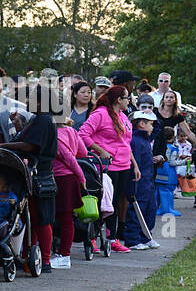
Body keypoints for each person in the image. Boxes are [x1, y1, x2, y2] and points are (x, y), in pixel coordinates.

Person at [0, 84, 59, 273]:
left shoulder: (43, 120)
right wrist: (18, 126)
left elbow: (32, 145)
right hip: (35, 174)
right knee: (31, 218)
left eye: (33, 99)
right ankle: (28, 257)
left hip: (39, 175)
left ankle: (45, 260)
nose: (28, 102)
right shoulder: (39, 120)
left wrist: (5, 145)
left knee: (41, 218)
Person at [79, 85, 136, 252]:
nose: (129, 101)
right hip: (107, 165)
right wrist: (100, 150)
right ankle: (93, 237)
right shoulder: (100, 114)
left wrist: (135, 164)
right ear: (119, 99)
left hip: (124, 165)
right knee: (104, 201)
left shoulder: (123, 116)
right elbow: (83, 134)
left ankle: (112, 238)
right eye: (127, 98)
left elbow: (126, 142)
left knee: (116, 202)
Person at [51, 102, 90, 267]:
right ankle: (63, 253)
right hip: (70, 179)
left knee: (61, 218)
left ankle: (63, 254)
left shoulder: (56, 136)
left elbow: (69, 159)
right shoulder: (71, 131)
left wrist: (82, 179)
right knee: (67, 218)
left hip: (61, 179)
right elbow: (83, 153)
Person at [125, 109, 160, 249]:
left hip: (148, 182)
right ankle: (133, 239)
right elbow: (135, 163)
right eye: (150, 123)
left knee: (150, 209)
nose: (152, 126)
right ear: (141, 124)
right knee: (136, 209)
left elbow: (158, 129)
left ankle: (146, 236)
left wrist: (151, 114)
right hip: (139, 182)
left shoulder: (146, 139)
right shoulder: (135, 141)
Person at [153, 90, 187, 154]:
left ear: (175, 100)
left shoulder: (177, 116)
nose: (169, 99)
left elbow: (188, 132)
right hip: (154, 141)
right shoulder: (155, 111)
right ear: (163, 99)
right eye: (167, 97)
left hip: (167, 144)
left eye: (171, 97)